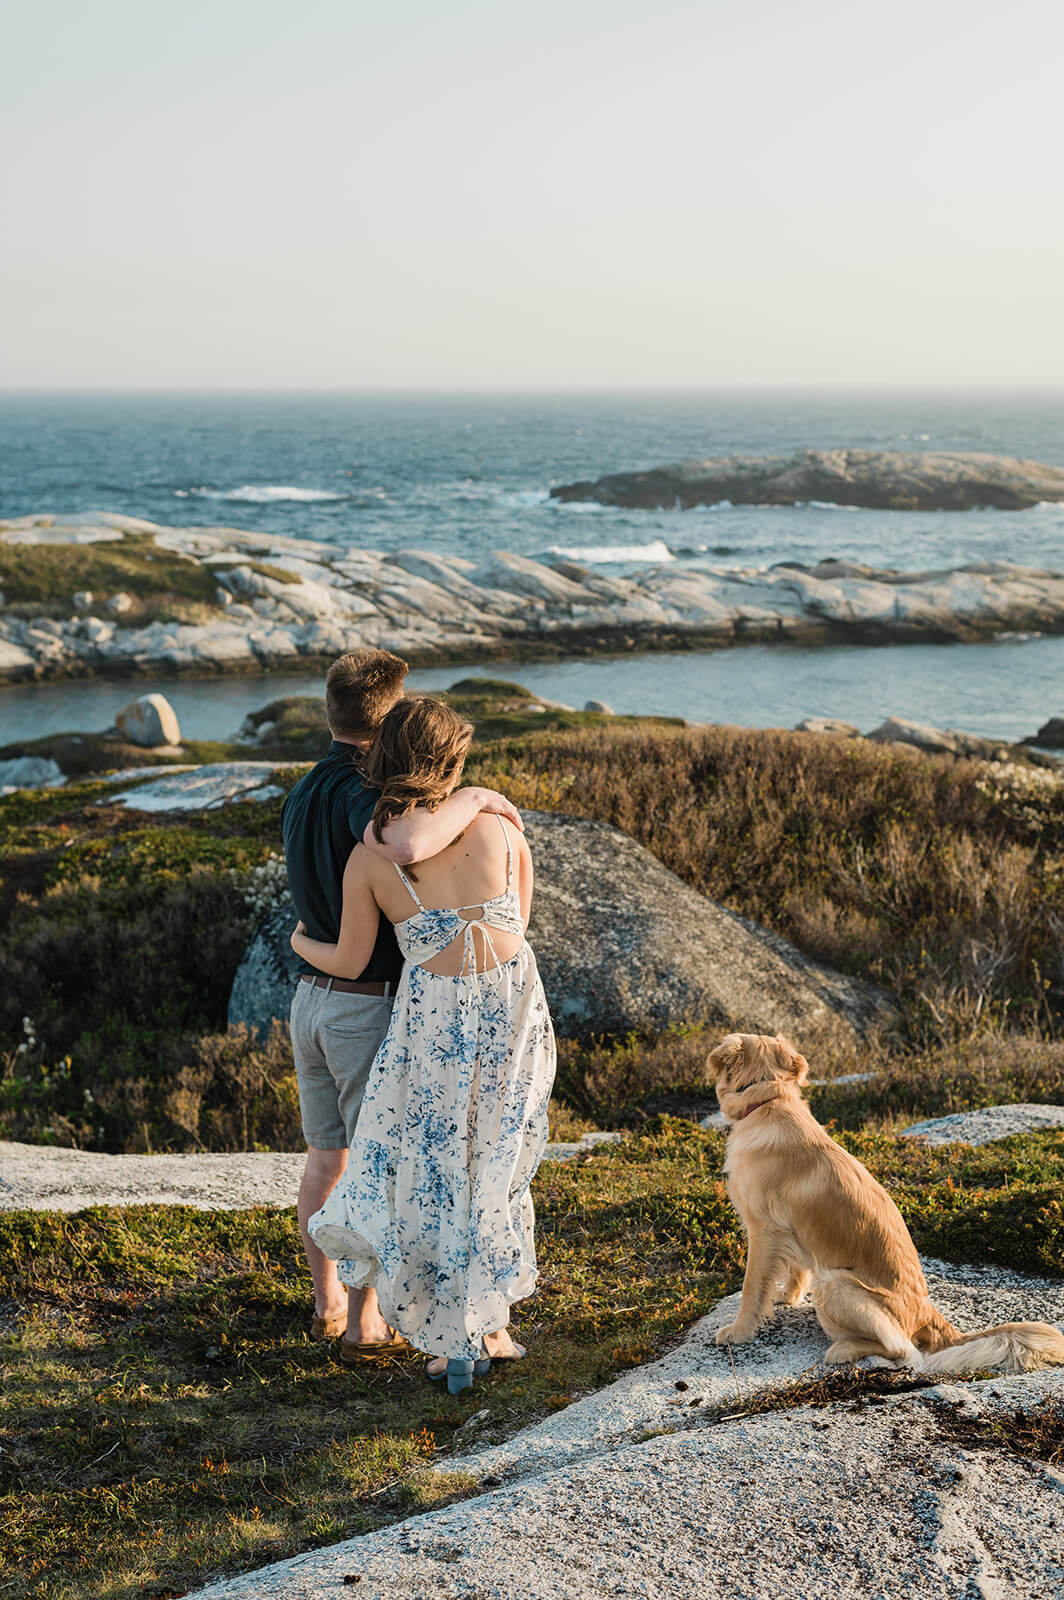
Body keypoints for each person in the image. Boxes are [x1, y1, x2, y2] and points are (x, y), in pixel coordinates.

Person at [291, 696, 556, 1394]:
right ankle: (492, 1325)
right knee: (495, 1163)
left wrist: (296, 938)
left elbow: (348, 961)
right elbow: (519, 923)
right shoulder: (502, 827)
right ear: (456, 761)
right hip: (510, 1014)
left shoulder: (370, 858)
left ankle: (447, 1340)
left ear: (381, 761)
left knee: (434, 1174)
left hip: (430, 1030)